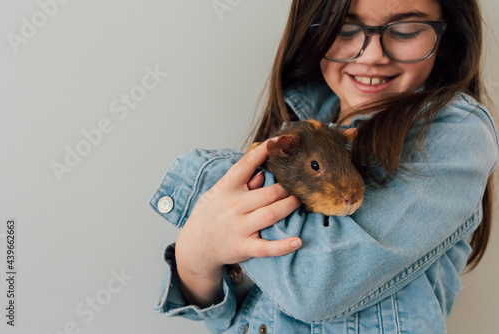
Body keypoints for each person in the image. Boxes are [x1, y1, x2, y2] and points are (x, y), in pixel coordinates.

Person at [149, 0, 499, 332]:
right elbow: (232, 314)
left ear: (447, 35)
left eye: (406, 30)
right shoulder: (295, 127)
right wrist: (196, 255)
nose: (373, 56)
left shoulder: (455, 130)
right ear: (313, 31)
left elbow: (315, 288)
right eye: (346, 30)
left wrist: (204, 182)